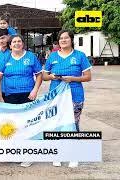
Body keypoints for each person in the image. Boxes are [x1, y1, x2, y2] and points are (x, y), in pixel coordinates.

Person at [43, 29, 92, 168]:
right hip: (56, 96)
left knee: (73, 124)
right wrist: (52, 76)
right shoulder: (52, 57)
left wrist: (73, 79)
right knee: (56, 124)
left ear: (71, 40)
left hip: (75, 94)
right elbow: (45, 76)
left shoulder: (80, 55)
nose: (63, 40)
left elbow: (88, 77)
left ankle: (73, 155)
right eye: (61, 39)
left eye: (66, 38)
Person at [0, 34, 43, 167]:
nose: (17, 43)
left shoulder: (31, 57)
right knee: (11, 124)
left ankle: (28, 155)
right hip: (9, 96)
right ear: (10, 45)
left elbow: (39, 75)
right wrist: (0, 96)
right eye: (14, 42)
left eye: (19, 41)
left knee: (27, 124)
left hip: (27, 95)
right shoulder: (4, 57)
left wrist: (35, 90)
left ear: (23, 44)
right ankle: (12, 152)